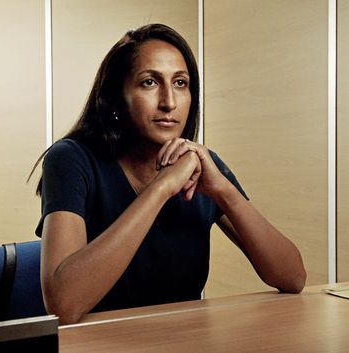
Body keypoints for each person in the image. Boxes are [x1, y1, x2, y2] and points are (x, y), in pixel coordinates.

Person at [31, 23, 306, 325]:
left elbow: (293, 277)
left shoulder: (201, 165)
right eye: (149, 82)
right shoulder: (72, 159)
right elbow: (64, 304)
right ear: (115, 99)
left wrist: (223, 191)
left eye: (180, 83)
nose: (169, 102)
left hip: (184, 341)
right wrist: (161, 189)